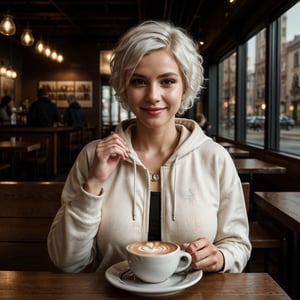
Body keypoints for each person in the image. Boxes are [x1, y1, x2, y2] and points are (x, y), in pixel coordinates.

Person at [48, 20, 251, 274]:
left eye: (167, 81)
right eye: (139, 81)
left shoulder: (215, 158)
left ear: (185, 86)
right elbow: (67, 261)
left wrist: (220, 257)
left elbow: (238, 245)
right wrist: (94, 183)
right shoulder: (92, 156)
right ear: (124, 87)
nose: (153, 96)